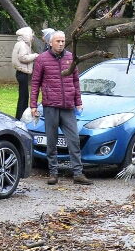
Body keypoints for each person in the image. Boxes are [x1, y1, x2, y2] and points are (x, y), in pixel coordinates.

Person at [29, 30, 91, 186]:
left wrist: (78, 101)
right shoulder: (42, 59)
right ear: (50, 43)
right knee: (52, 141)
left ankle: (78, 174)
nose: (61, 44)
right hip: (50, 106)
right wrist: (33, 105)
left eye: (63, 41)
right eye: (58, 41)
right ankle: (53, 173)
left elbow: (75, 81)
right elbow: (35, 83)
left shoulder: (70, 57)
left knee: (74, 140)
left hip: (68, 106)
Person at [12, 26, 38, 120]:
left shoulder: (21, 44)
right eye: (32, 36)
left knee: (24, 95)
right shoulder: (22, 45)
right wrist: (34, 56)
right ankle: (20, 116)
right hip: (22, 73)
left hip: (21, 72)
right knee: (24, 96)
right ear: (27, 35)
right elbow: (23, 58)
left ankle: (20, 115)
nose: (33, 38)